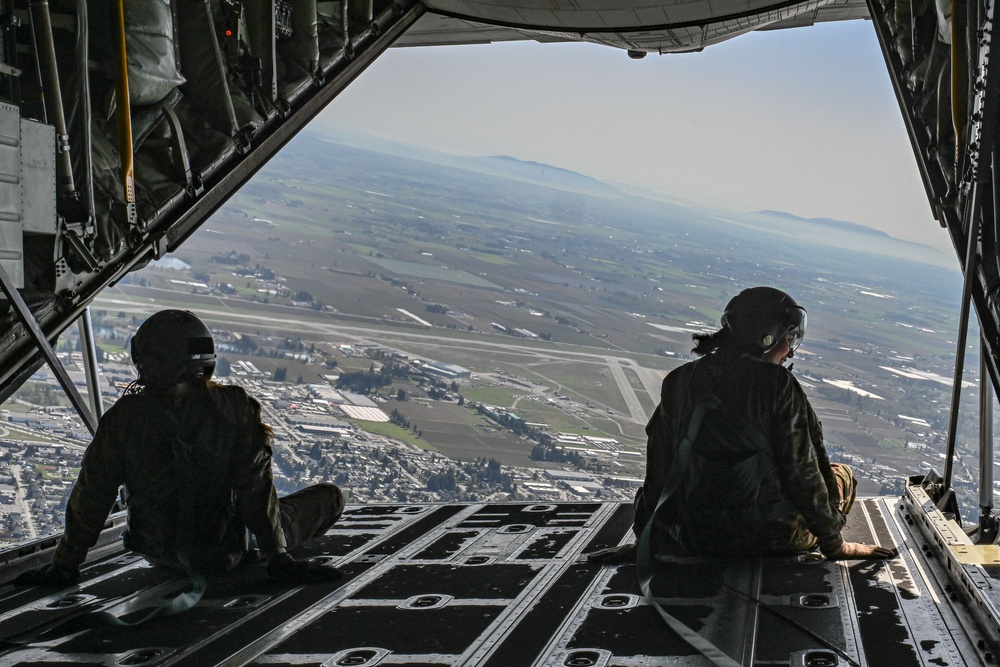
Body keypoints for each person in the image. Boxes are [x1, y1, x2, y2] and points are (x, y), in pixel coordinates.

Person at [14, 309, 345, 587]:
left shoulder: (124, 417)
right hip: (223, 553)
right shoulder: (234, 408)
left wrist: (65, 565)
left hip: (158, 552)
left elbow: (92, 495)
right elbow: (255, 489)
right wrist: (279, 557)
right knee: (331, 496)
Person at [590, 287, 893, 563]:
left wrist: (645, 542)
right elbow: (803, 472)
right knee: (843, 475)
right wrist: (834, 545)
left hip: (697, 537)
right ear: (774, 340)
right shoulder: (777, 384)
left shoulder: (681, 379)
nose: (788, 350)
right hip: (771, 538)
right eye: (788, 340)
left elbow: (658, 467)